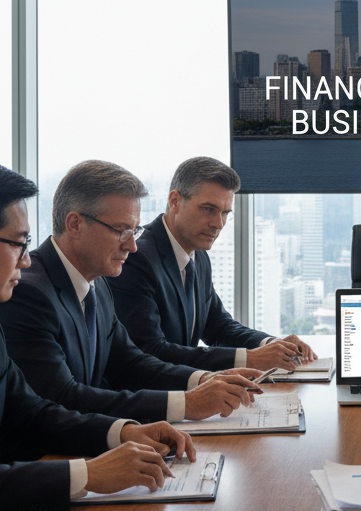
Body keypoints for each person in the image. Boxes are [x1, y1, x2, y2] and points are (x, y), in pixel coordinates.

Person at [0, 158, 195, 511]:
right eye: (17, 244)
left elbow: (30, 412)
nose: (26, 261)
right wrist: (87, 473)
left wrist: (122, 432)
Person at [0, 161, 260, 426]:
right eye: (121, 231)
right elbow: (61, 397)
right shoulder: (29, 293)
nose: (132, 246)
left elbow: (130, 362)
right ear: (74, 224)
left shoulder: (99, 283)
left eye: (134, 231)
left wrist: (203, 380)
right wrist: (187, 404)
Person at [107, 157, 316, 372]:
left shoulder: (198, 255)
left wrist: (271, 344)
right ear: (175, 201)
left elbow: (217, 326)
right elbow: (150, 351)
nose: (218, 223)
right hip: (154, 398)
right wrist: (249, 359)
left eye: (225, 213)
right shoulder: (137, 258)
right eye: (208, 209)